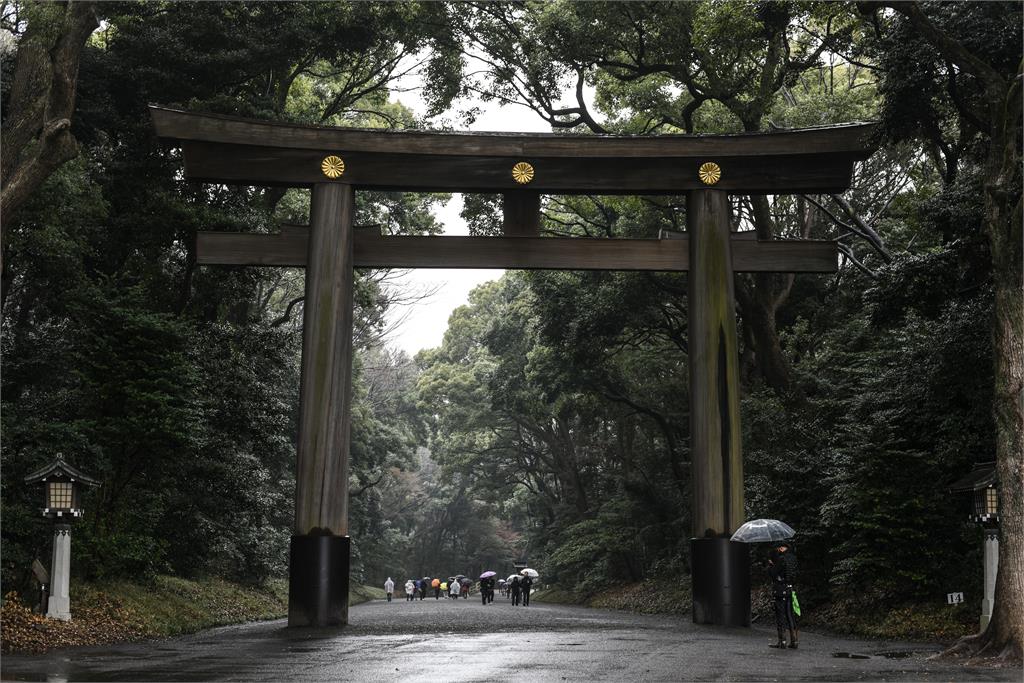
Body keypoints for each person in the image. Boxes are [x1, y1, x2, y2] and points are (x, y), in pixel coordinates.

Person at [767, 540, 799, 649]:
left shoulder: (781, 559)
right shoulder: (793, 559)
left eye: (778, 548)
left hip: (780, 590)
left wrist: (771, 565)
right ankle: (794, 641)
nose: (777, 550)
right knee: (790, 615)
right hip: (790, 589)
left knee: (780, 615)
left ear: (781, 548)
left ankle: (782, 641)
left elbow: (773, 574)